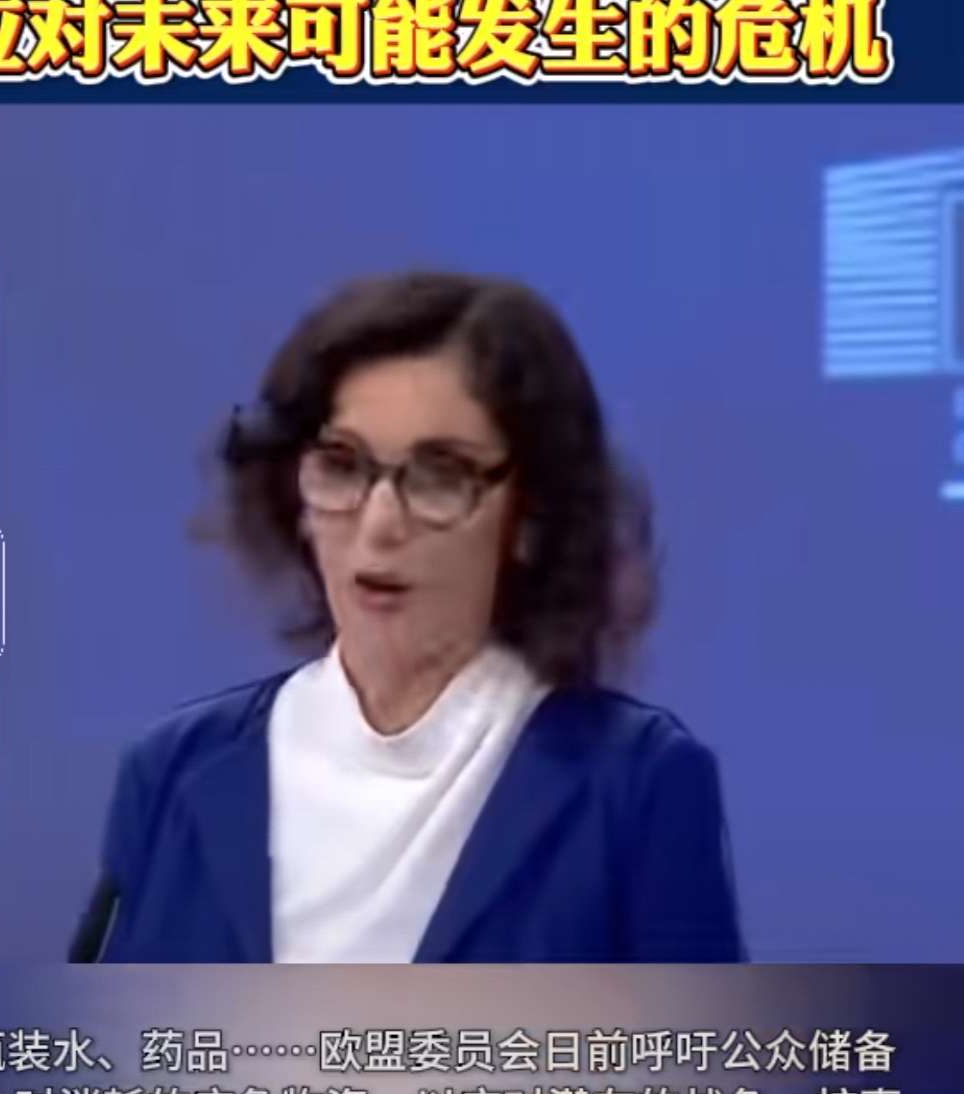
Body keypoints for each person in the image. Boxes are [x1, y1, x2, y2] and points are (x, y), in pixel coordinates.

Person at [73, 272, 745, 962]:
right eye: (341, 465)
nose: (381, 523)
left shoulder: (638, 791)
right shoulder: (174, 773)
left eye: (440, 475)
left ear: (530, 517)